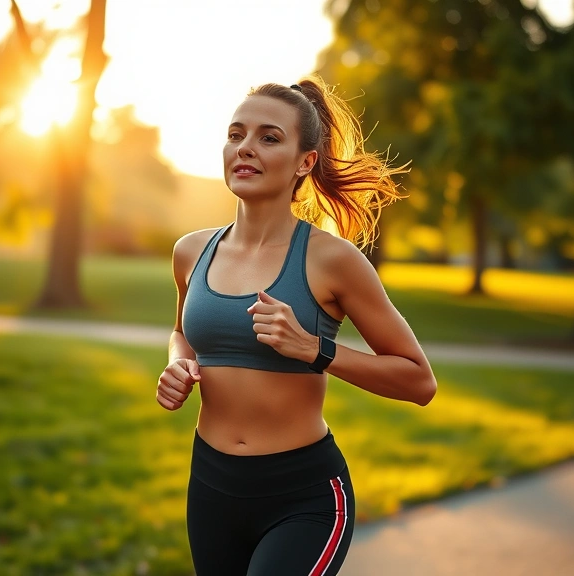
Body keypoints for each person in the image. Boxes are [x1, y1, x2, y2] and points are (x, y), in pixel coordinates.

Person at [156, 75, 437, 576]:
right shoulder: (191, 252)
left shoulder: (333, 260)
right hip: (212, 487)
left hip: (303, 497)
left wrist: (314, 348)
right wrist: (179, 365)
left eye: (269, 137)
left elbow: (419, 380)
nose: (245, 148)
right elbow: (182, 332)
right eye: (236, 133)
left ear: (305, 162)